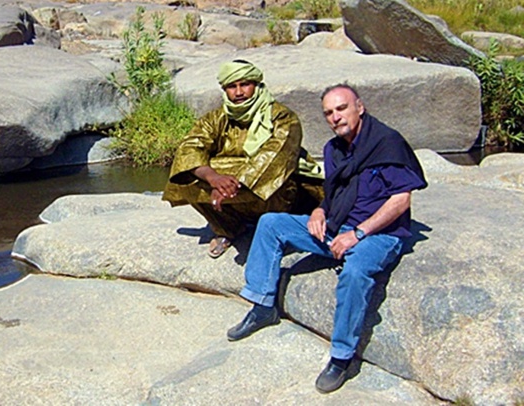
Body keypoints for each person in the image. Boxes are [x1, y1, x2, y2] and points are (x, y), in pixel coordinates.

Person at [226, 84, 427, 393]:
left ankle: (342, 357)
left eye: (341, 108)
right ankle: (263, 305)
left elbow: (401, 200)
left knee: (356, 272)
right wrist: (320, 211)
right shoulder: (334, 149)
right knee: (269, 224)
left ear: (359, 107)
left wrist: (358, 234)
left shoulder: (387, 143)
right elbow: (333, 194)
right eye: (329, 113)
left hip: (378, 234)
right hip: (338, 225)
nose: (335, 117)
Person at [163, 60, 323, 258]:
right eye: (232, 86)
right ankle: (228, 228)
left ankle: (281, 228)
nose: (239, 92)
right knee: (185, 179)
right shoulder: (215, 118)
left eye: (245, 84)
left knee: (275, 176)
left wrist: (234, 185)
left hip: (280, 194)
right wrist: (214, 179)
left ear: (256, 85)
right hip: (232, 190)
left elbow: (274, 157)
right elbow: (190, 148)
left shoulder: (282, 117)